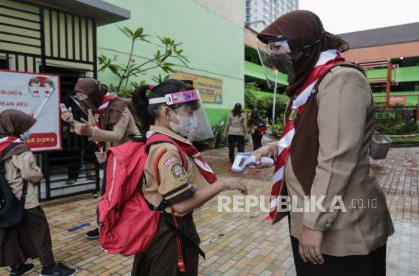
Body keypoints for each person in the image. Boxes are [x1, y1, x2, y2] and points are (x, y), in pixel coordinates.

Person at [252, 10, 394, 276]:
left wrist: (314, 224)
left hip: (340, 228)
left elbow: (338, 157)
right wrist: (276, 148)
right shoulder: (310, 83)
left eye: (279, 47)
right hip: (310, 215)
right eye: (270, 48)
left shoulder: (341, 80)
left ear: (305, 45)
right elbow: (307, 135)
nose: (274, 54)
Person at [130, 79, 248, 276]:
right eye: (189, 113)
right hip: (169, 232)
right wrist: (224, 184)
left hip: (163, 226)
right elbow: (181, 205)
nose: (193, 119)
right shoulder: (167, 151)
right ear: (166, 112)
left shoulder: (159, 140)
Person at [0, 109, 77, 276]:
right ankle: (49, 267)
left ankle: (17, 267)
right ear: (15, 127)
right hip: (25, 199)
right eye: (24, 127)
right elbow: (31, 174)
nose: (27, 131)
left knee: (11, 232)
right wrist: (39, 173)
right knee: (40, 230)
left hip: (7, 200)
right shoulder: (20, 148)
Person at [60, 78, 140, 240]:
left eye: (82, 96)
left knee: (125, 195)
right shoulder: (95, 108)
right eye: (78, 97)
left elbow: (116, 135)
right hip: (113, 156)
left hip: (129, 157)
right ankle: (104, 225)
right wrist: (70, 120)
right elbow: (91, 129)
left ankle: (121, 227)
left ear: (93, 94)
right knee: (107, 194)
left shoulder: (118, 107)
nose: (80, 100)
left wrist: (89, 131)